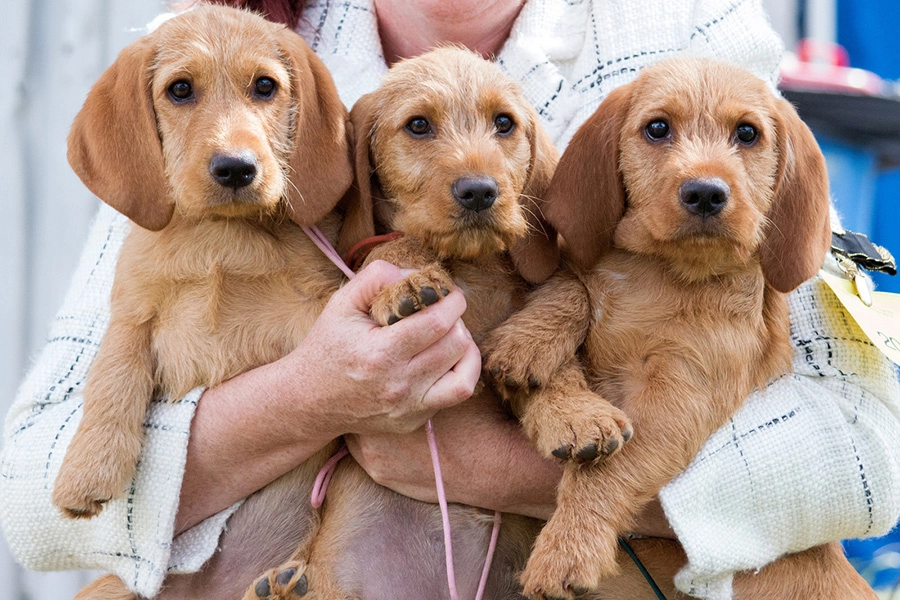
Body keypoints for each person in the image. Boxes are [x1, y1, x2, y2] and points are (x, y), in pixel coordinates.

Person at [1, 0, 898, 599]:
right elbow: (31, 498)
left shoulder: (687, 26)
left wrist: (515, 477)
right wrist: (311, 399)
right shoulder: (223, 58)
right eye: (417, 132)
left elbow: (869, 456)